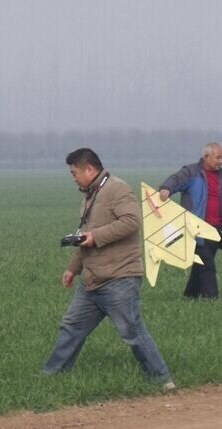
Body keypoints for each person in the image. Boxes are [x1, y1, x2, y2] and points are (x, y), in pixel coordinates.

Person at [43, 148, 174, 389]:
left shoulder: (117, 188)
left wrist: (96, 236)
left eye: (74, 173)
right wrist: (73, 268)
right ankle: (52, 377)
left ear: (89, 169)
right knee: (71, 327)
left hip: (119, 278)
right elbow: (85, 237)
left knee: (131, 331)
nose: (73, 178)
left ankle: (162, 380)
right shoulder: (90, 197)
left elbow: (132, 222)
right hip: (92, 281)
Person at [159, 142, 222, 299]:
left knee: (200, 265)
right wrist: (166, 188)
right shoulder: (191, 172)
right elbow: (175, 180)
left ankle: (189, 296)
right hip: (195, 231)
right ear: (206, 157)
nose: (221, 161)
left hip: (216, 232)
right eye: (218, 157)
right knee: (207, 265)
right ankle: (212, 299)